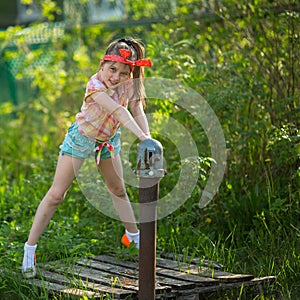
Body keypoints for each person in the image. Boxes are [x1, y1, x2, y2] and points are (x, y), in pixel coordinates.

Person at [21, 38, 153, 278]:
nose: (116, 77)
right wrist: (143, 138)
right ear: (102, 65)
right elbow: (119, 111)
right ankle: (29, 249)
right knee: (56, 195)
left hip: (107, 142)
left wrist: (149, 138)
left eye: (123, 73)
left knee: (118, 189)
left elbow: (136, 109)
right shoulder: (94, 85)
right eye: (112, 69)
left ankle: (132, 237)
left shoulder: (130, 85)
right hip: (82, 139)